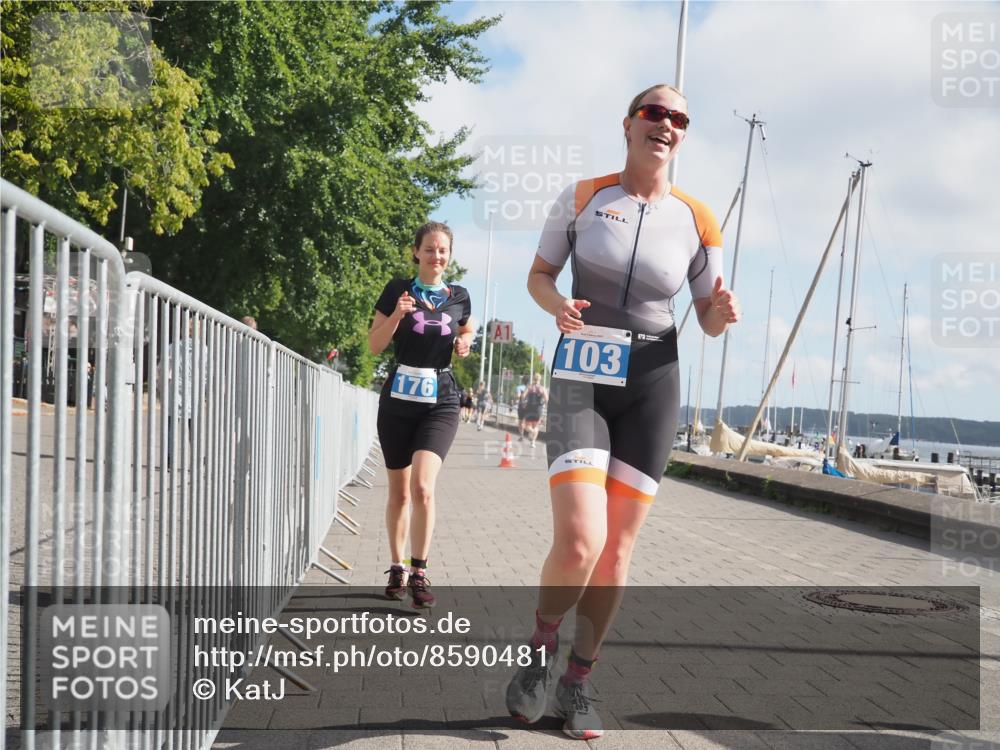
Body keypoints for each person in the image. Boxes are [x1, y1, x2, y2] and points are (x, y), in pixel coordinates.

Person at [505, 84, 742, 739]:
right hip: (583, 373)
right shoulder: (584, 197)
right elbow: (539, 275)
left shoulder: (699, 218)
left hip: (653, 381)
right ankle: (539, 649)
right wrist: (556, 306)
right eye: (655, 113)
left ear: (683, 137)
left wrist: (718, 315)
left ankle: (578, 683)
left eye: (679, 119)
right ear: (630, 123)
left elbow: (708, 315)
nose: (666, 124)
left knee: (614, 555)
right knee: (580, 540)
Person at [368, 222, 474, 608]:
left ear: (450, 255)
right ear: (416, 252)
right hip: (397, 400)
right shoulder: (398, 289)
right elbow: (375, 345)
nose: (436, 256)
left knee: (423, 488)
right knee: (398, 492)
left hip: (440, 399)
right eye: (429, 249)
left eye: (443, 250)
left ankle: (419, 571)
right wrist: (396, 314)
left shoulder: (458, 294)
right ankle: (396, 566)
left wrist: (466, 340)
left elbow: (466, 325)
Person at [521, 373, 547, 447]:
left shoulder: (529, 387)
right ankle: (533, 442)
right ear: (540, 379)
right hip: (538, 408)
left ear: (533, 379)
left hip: (529, 408)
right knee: (536, 426)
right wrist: (545, 405)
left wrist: (523, 403)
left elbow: (523, 396)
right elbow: (546, 399)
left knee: (527, 426)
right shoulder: (542, 388)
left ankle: (531, 432)